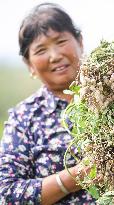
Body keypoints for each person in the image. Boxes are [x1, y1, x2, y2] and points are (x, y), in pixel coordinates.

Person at [0, 3, 96, 205]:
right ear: (29, 65)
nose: (54, 56)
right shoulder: (24, 118)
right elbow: (6, 193)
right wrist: (76, 176)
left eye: (61, 41)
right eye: (41, 50)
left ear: (80, 41)